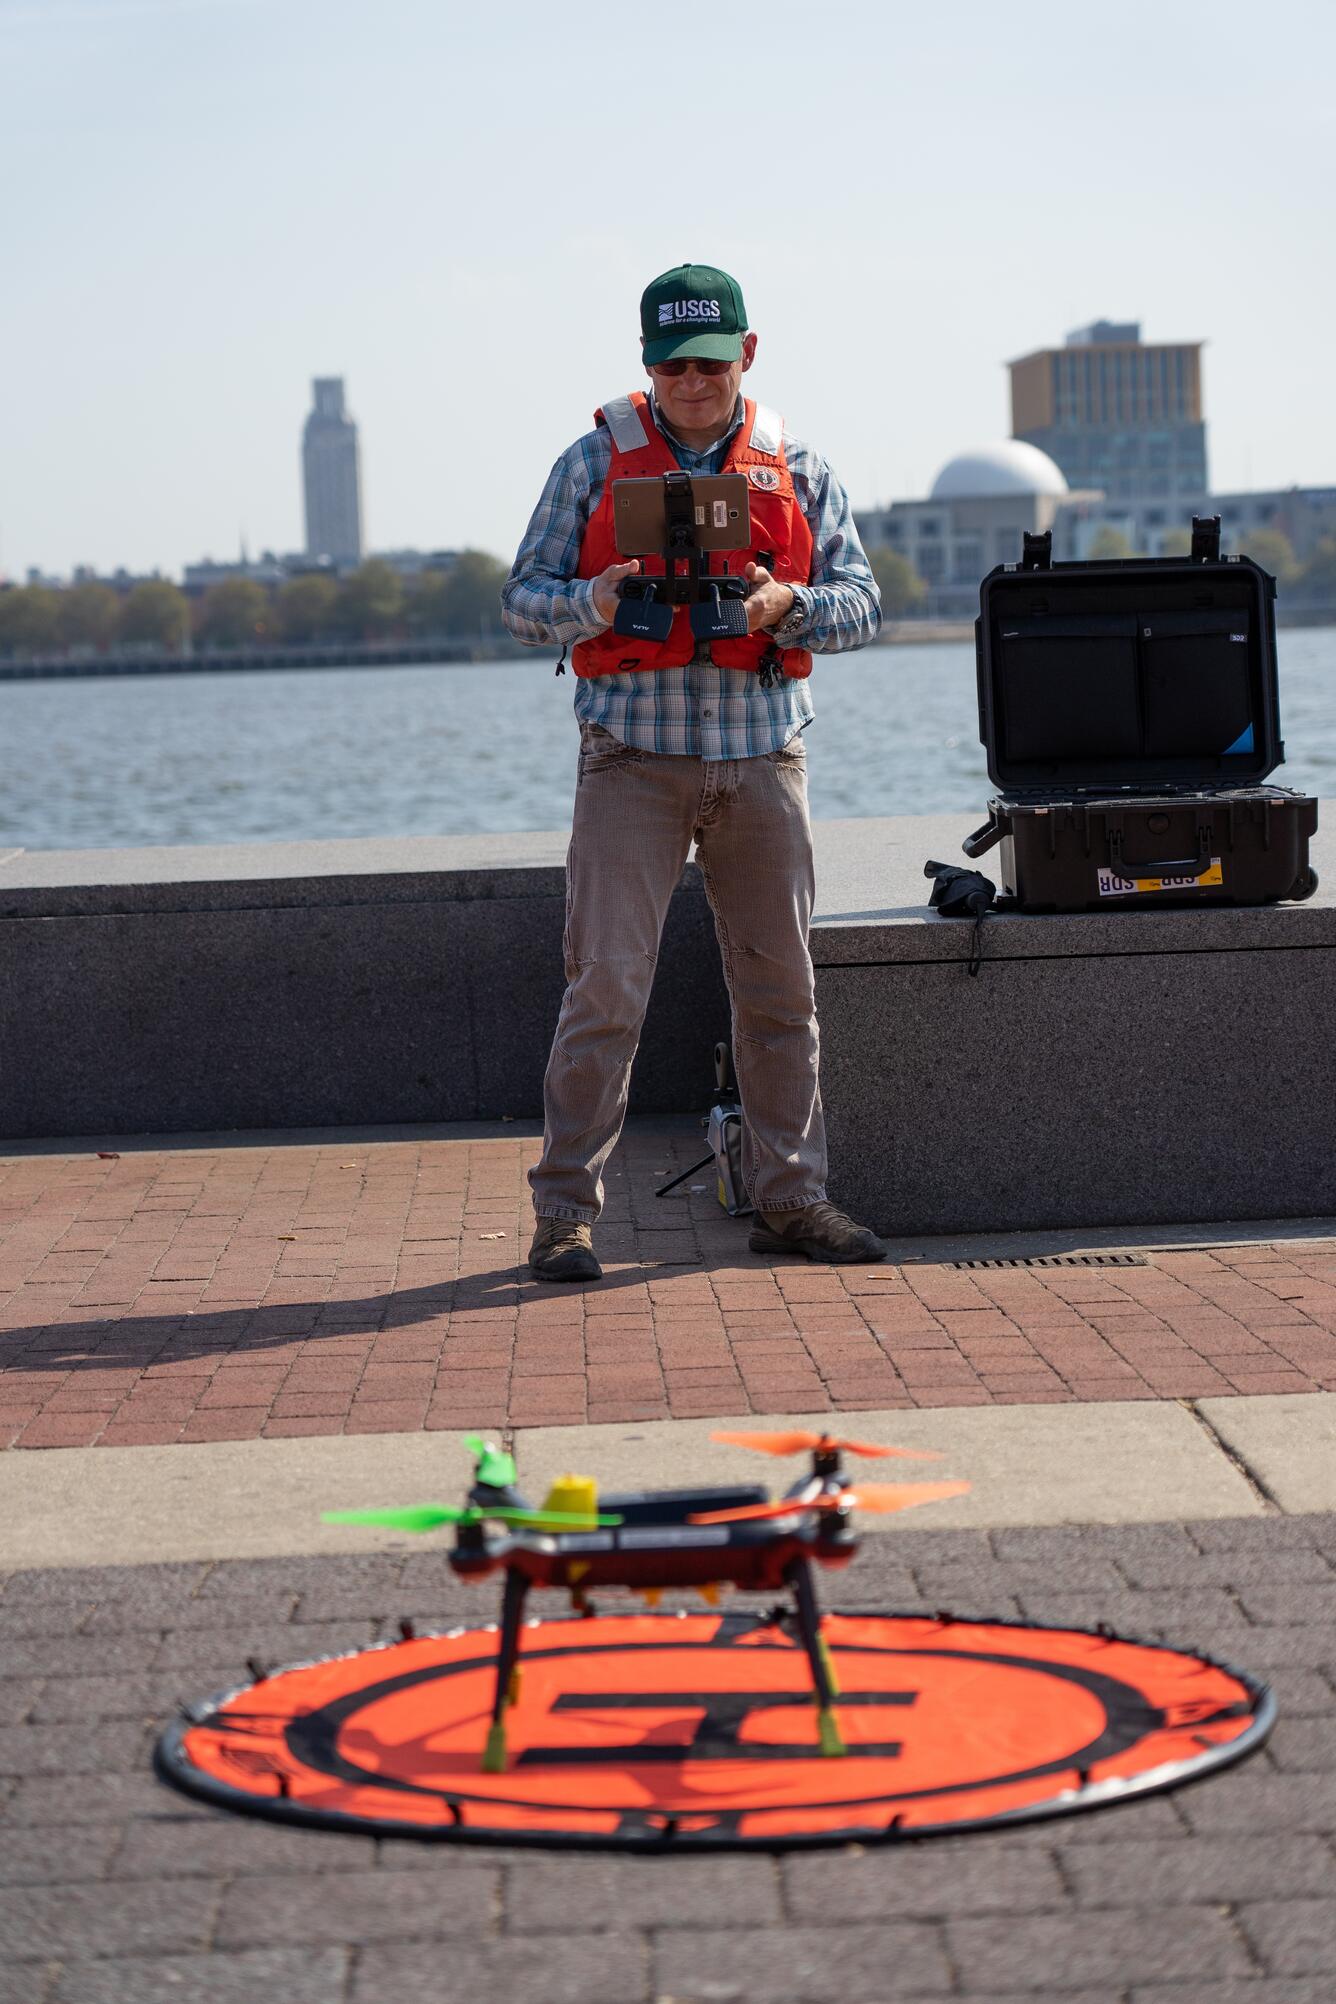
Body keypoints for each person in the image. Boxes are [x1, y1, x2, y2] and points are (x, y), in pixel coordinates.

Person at [501, 262, 885, 1282]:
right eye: (671, 363)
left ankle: (791, 1203)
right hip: (630, 758)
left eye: (710, 361)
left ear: (745, 356)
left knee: (779, 993)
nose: (691, 380)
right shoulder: (590, 461)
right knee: (605, 991)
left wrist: (781, 609)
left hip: (763, 759)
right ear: (646, 365)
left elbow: (863, 603)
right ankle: (564, 1216)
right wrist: (595, 598)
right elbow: (520, 597)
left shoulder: (798, 464)